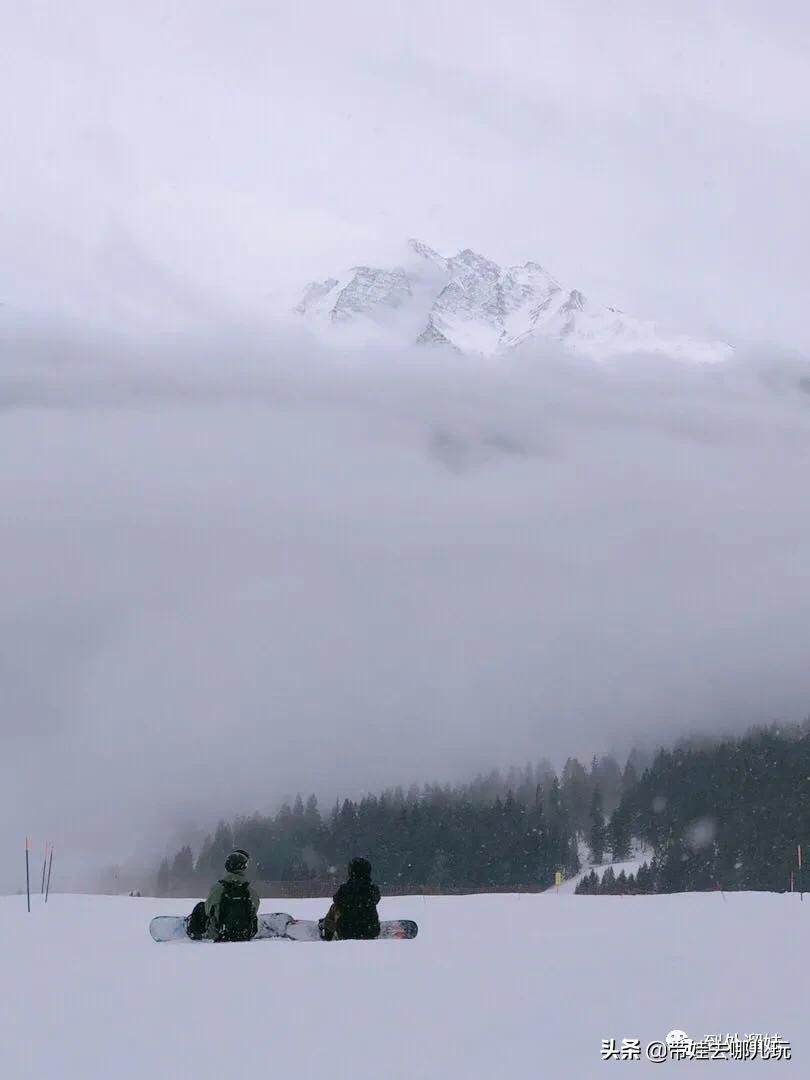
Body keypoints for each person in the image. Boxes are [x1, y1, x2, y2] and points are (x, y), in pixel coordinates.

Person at [187, 848, 260, 942]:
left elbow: (208, 910)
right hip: (245, 933)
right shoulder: (250, 890)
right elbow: (254, 909)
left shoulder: (218, 887)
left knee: (200, 906)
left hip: (220, 934)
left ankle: (194, 932)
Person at [320, 857, 381, 940]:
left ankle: (327, 931)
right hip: (370, 930)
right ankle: (368, 925)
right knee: (368, 907)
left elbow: (336, 900)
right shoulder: (373, 889)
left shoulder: (345, 889)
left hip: (346, 932)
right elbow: (376, 899)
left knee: (334, 907)